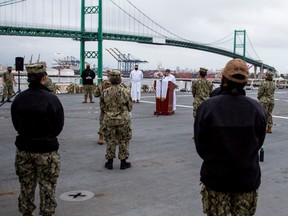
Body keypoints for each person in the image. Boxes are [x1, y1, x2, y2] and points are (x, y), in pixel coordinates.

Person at [194, 58, 267, 216]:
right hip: (247, 178)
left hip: (215, 179)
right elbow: (259, 142)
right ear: (245, 81)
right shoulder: (258, 109)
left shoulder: (207, 107)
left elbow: (201, 146)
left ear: (223, 78)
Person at [11, 62, 64, 216]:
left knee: (26, 184)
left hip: (24, 148)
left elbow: (16, 123)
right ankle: (47, 212)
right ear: (43, 78)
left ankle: (27, 212)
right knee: (47, 184)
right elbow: (58, 126)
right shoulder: (52, 99)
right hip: (46, 150)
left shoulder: (19, 98)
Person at [100, 69, 133, 170]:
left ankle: (109, 162)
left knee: (110, 140)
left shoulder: (105, 92)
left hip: (109, 119)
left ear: (110, 79)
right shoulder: (125, 91)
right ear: (120, 79)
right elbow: (130, 107)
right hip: (123, 119)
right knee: (123, 140)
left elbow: (102, 107)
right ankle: (123, 162)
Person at [94, 71, 112, 145]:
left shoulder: (102, 84)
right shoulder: (120, 85)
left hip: (104, 107)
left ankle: (101, 137)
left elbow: (95, 94)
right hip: (116, 108)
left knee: (103, 122)